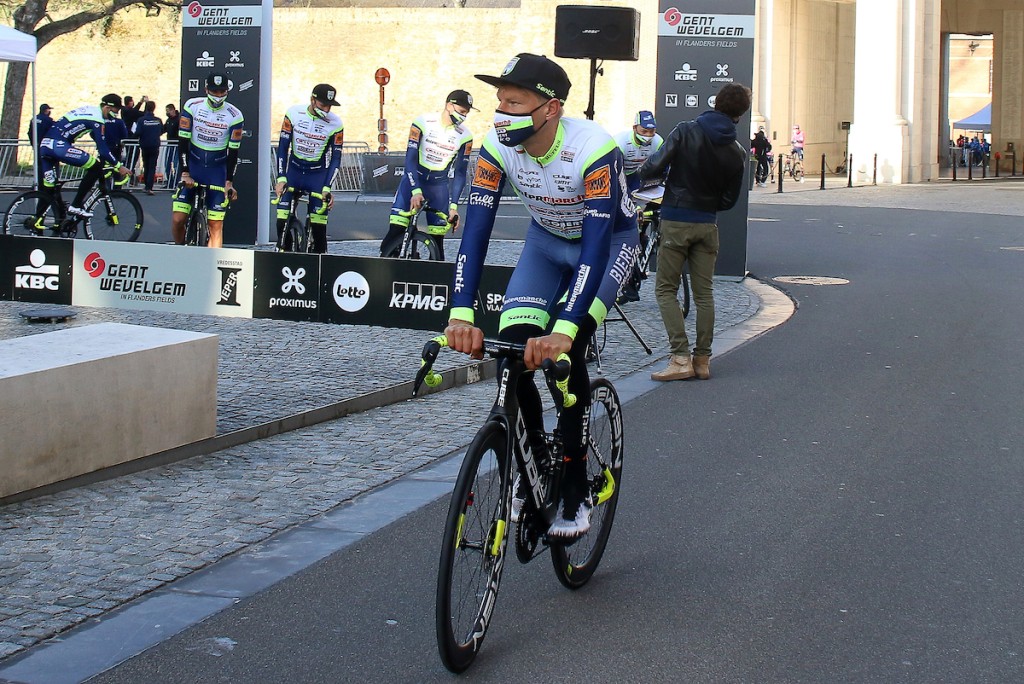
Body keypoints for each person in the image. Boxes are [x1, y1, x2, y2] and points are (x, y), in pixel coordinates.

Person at [444, 53, 638, 539]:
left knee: (561, 362)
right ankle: (533, 461)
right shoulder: (495, 146)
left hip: (608, 245)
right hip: (546, 245)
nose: (502, 111)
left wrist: (566, 330)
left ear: (550, 109)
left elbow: (596, 244)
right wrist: (461, 311)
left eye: (515, 102)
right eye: (499, 101)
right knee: (515, 350)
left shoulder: (593, 148)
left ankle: (574, 487)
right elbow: (475, 234)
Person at [637, 83, 751, 382]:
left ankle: (680, 358)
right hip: (707, 223)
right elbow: (729, 201)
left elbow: (652, 167)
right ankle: (702, 360)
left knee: (664, 290)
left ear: (715, 102)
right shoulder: (737, 151)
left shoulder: (686, 131)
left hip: (676, 218)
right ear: (740, 114)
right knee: (705, 294)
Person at [378, 89, 475, 261]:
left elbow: (460, 173)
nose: (463, 117)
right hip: (413, 181)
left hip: (438, 188)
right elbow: (410, 159)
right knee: (395, 232)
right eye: (461, 112)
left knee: (437, 245)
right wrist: (415, 191)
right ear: (449, 106)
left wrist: (454, 207)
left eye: (466, 113)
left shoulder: (465, 136)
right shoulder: (423, 122)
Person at [171, 73, 244, 248]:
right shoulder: (191, 106)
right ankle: (180, 250)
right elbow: (183, 142)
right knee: (178, 219)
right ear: (206, 90)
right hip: (193, 167)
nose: (218, 95)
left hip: (216, 171)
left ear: (227, 91)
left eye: (222, 92)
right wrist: (185, 172)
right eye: (214, 91)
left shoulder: (235, 115)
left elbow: (233, 152)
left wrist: (229, 182)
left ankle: (213, 265)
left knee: (215, 226)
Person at [274, 83, 345, 253]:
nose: (326, 109)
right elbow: (283, 147)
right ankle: (286, 251)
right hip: (294, 171)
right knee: (281, 219)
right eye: (322, 105)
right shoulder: (293, 113)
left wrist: (327, 187)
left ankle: (320, 264)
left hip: (317, 176)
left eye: (329, 106)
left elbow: (336, 158)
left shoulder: (336, 123)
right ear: (312, 100)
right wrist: (281, 177)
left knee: (319, 228)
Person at [38, 94, 131, 219]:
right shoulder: (97, 118)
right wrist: (118, 165)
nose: (114, 117)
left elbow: (93, 136)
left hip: (45, 146)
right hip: (58, 146)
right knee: (96, 167)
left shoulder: (89, 110)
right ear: (107, 108)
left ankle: (38, 224)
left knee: (49, 189)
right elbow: (103, 149)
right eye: (114, 113)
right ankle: (76, 205)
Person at [614, 110, 664, 196]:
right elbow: (615, 169)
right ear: (634, 128)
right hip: (617, 174)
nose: (648, 135)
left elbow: (661, 166)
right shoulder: (620, 142)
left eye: (652, 131)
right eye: (644, 131)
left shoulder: (658, 141)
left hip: (634, 174)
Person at [132, 100, 164, 195]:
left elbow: (137, 132)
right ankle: (150, 187)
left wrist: (133, 137)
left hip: (145, 145)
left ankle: (147, 186)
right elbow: (161, 131)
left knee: (146, 165)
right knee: (152, 166)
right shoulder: (158, 120)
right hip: (155, 144)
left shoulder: (141, 120)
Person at [163, 103, 181, 185]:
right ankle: (170, 182)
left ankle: (176, 183)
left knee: (176, 165)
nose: (167, 113)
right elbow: (162, 130)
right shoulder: (168, 120)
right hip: (169, 144)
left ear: (173, 110)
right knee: (167, 164)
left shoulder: (179, 119)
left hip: (177, 145)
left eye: (168, 111)